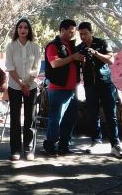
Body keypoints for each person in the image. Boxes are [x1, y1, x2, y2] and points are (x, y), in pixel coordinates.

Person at [77, 22, 122, 159]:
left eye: (85, 33)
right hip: (89, 86)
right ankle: (96, 141)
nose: (83, 36)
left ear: (91, 32)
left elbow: (111, 60)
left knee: (111, 115)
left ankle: (115, 145)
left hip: (105, 83)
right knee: (92, 115)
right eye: (80, 34)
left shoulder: (102, 43)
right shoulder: (79, 47)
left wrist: (95, 53)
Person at [42, 19, 84, 157]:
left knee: (70, 119)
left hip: (72, 89)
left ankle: (64, 145)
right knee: (56, 119)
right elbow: (54, 63)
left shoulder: (72, 46)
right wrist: (73, 57)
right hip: (58, 88)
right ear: (62, 30)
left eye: (74, 31)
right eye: (71, 31)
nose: (73, 34)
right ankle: (50, 145)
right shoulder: (53, 45)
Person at [5, 18, 41, 161]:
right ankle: (15, 150)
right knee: (15, 118)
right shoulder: (11, 46)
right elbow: (10, 67)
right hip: (14, 86)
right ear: (17, 29)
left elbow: (36, 68)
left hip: (31, 87)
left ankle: (28, 149)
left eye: (25, 27)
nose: (23, 29)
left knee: (30, 118)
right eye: (20, 27)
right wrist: (21, 84)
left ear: (29, 29)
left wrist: (27, 84)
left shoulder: (35, 46)